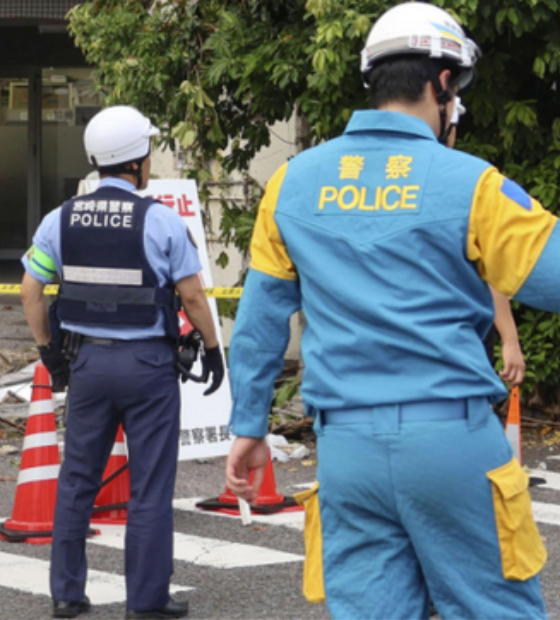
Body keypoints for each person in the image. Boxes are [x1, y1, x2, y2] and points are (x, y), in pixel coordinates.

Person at [224, 3, 558, 618]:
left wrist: (249, 425)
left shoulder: (292, 183)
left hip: (346, 450)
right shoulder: (472, 183)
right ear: (442, 84)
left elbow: (260, 318)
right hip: (452, 443)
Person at [20, 105, 224, 619]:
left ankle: (67, 594)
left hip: (87, 366)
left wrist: (49, 352)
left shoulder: (60, 218)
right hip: (149, 368)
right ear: (138, 161)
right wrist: (215, 349)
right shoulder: (161, 220)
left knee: (77, 481)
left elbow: (30, 290)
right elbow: (193, 298)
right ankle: (146, 602)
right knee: (150, 487)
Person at [449, 97, 526, 386]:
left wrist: (509, 339)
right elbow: (494, 273)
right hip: (462, 342)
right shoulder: (473, 185)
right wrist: (510, 341)